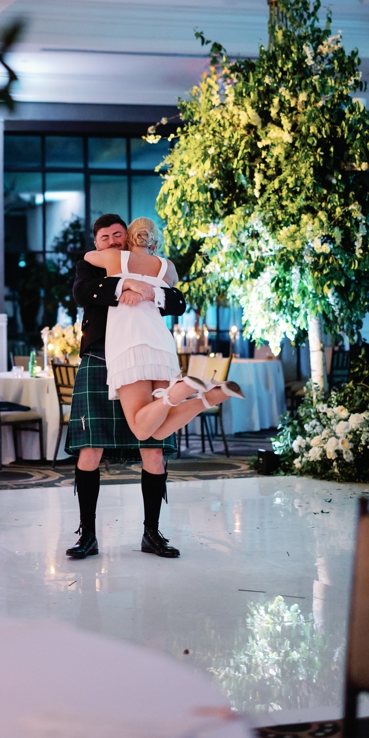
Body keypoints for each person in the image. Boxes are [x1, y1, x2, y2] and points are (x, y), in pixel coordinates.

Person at [63, 214, 231, 561]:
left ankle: (152, 534)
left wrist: (149, 291)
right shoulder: (93, 268)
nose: (111, 240)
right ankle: (88, 535)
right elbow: (80, 294)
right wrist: (123, 286)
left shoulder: (148, 266)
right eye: (105, 236)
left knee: (153, 450)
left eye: (117, 235)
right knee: (90, 451)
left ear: (127, 238)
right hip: (100, 359)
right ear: (97, 242)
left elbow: (178, 302)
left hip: (143, 357)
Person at [82, 216, 242, 442]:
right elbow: (173, 294)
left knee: (140, 429)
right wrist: (143, 285)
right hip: (161, 344)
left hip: (129, 342)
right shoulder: (167, 267)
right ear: (155, 243)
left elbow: (88, 256)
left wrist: (127, 281)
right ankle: (207, 399)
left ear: (128, 239)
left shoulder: (114, 257)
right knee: (157, 431)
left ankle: (180, 391)